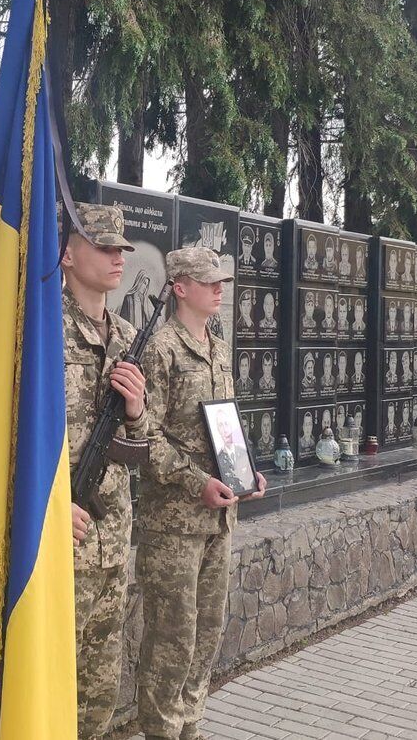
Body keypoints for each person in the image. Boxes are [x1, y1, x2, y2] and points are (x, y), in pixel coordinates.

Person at [137, 247, 266, 740]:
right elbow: (146, 436)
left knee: (207, 632)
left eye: (221, 281)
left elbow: (224, 427)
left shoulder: (218, 347)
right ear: (180, 287)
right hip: (174, 523)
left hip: (219, 518)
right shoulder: (161, 350)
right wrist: (197, 482)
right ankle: (162, 732)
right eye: (208, 281)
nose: (218, 288)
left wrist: (244, 472)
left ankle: (191, 727)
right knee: (172, 638)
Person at [61, 202, 147, 740]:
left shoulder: (129, 336)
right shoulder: (40, 331)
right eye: (104, 246)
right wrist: (45, 508)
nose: (118, 257)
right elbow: (10, 441)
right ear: (68, 255)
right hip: (57, 543)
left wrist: (135, 412)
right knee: (50, 692)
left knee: (98, 700)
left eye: (121, 248)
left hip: (112, 541)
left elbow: (140, 446)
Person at [213, 408, 253, 494]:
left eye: (226, 424)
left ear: (231, 426)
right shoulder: (218, 458)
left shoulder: (244, 452)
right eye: (221, 425)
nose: (225, 430)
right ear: (218, 430)